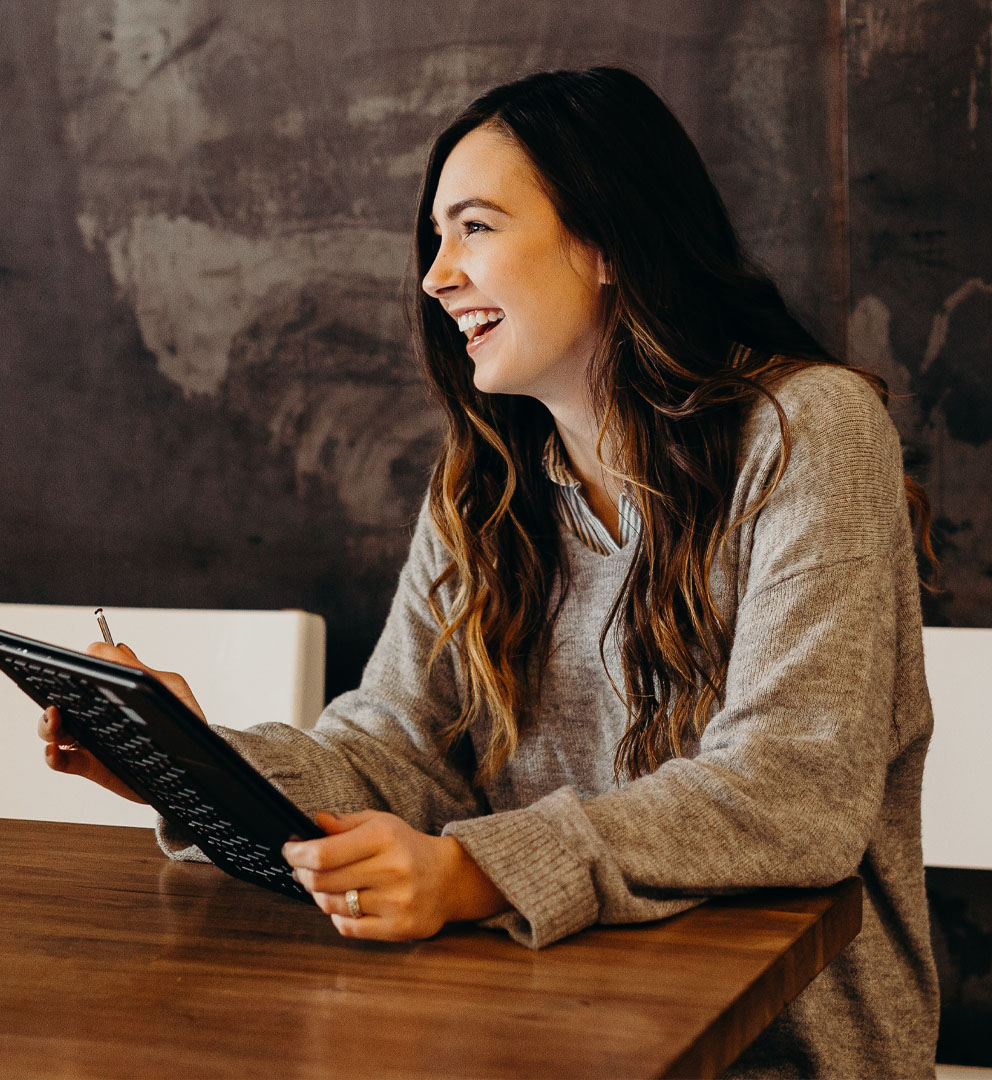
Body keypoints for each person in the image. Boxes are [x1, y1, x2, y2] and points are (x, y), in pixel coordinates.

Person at [39, 67, 939, 1077]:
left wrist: (474, 873)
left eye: (474, 227)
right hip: (532, 1030)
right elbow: (395, 755)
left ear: (605, 241)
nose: (435, 275)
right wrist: (193, 763)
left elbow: (791, 792)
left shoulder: (808, 430)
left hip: (773, 1055)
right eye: (434, 237)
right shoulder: (485, 487)